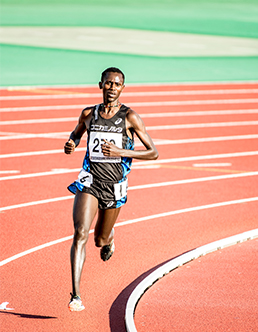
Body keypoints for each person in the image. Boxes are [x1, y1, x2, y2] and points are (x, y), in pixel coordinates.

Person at [64, 67, 159, 311]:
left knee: (99, 239)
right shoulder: (88, 114)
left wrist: (121, 152)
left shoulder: (130, 117)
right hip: (89, 180)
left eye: (117, 84)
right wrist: (71, 144)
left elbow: (153, 152)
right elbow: (75, 135)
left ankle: (109, 238)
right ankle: (76, 295)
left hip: (114, 186)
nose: (112, 88)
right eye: (108, 83)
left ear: (123, 88)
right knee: (80, 233)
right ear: (100, 85)